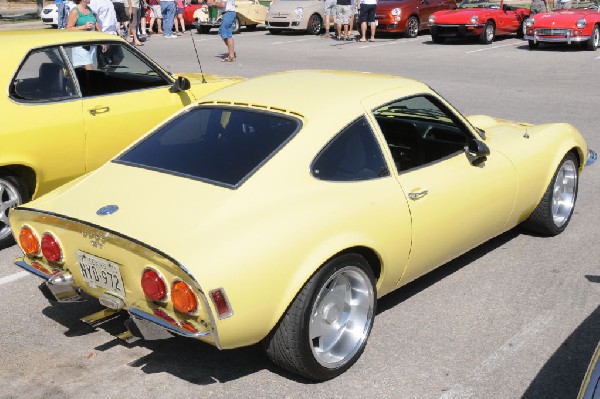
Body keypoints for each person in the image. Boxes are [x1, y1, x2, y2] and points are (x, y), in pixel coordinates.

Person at [67, 0, 102, 70]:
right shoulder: (75, 11)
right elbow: (68, 28)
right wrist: (83, 27)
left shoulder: (89, 9)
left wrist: (102, 40)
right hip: (80, 45)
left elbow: (96, 23)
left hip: (91, 43)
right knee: (89, 69)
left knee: (88, 69)